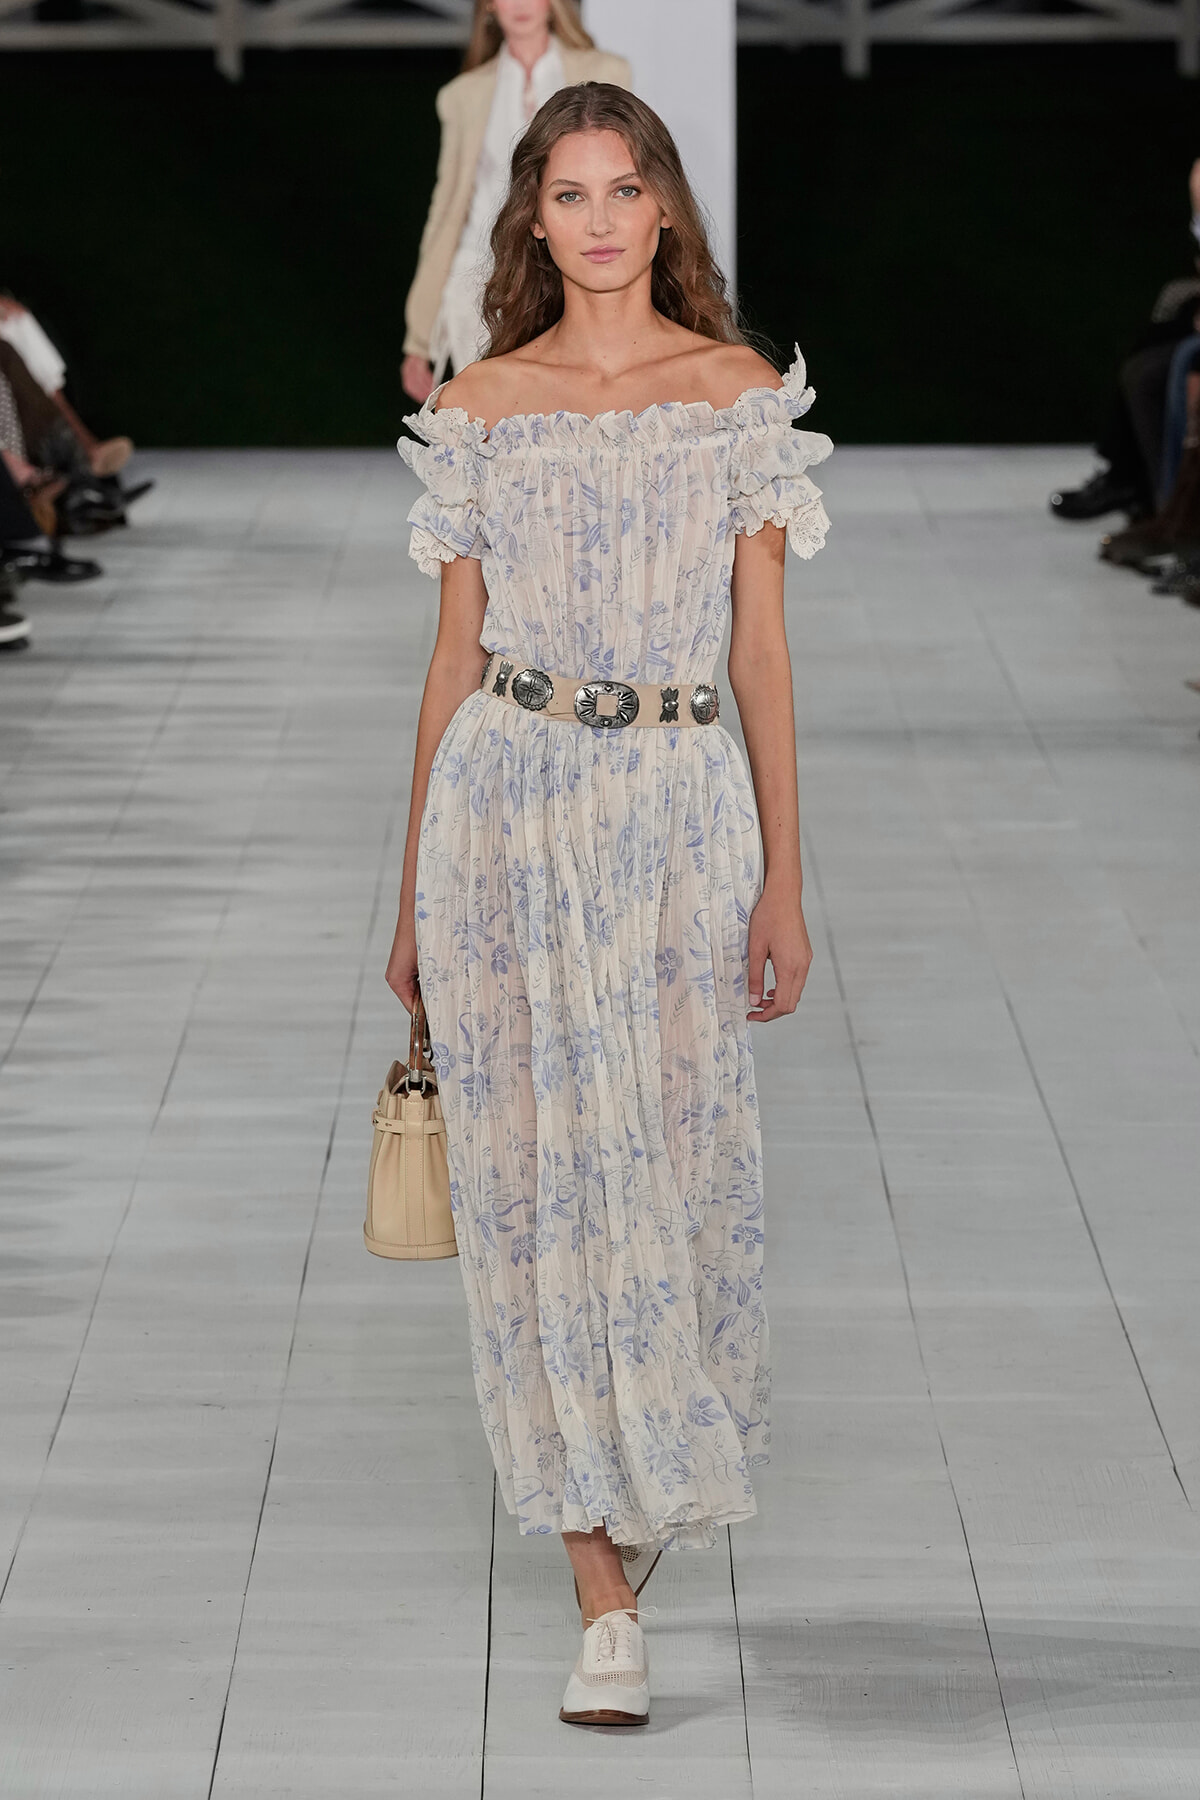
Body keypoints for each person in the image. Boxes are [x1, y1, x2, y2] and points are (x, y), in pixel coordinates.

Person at [385, 82, 832, 1725]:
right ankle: (595, 1583)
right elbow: (449, 662)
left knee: (676, 1156)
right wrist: (413, 898)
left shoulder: (735, 398)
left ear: (662, 214)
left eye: (621, 188)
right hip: (507, 809)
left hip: (677, 807)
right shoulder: (485, 405)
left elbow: (764, 653)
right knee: (536, 1187)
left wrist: (787, 873)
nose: (592, 217)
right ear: (535, 219)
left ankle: (645, 1473)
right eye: (564, 191)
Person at [400, 0, 630, 404]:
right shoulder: (463, 95)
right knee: (485, 415)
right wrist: (418, 338)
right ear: (488, 6)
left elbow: (629, 175)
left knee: (569, 409)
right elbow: (448, 207)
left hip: (568, 264)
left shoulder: (607, 73)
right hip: (479, 273)